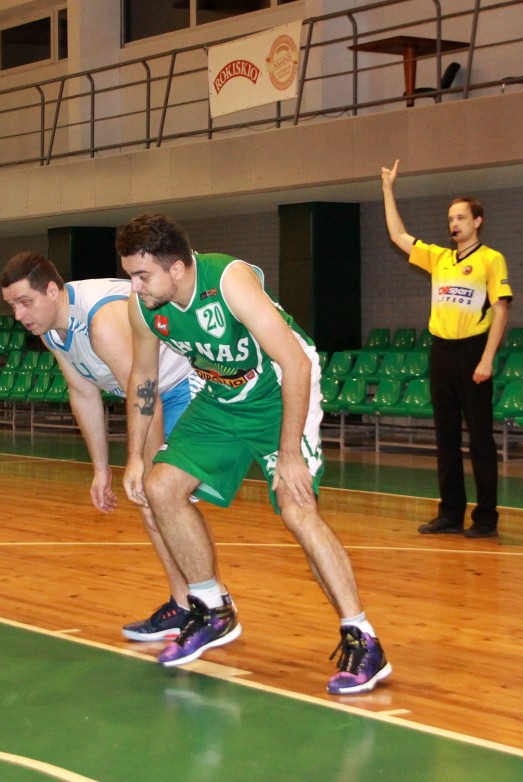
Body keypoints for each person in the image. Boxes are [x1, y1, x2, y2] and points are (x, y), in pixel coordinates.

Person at [116, 213, 391, 696]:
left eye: (142, 276)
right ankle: (211, 608)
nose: (134, 287)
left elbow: (296, 363)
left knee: (297, 508)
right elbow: (143, 377)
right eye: (130, 276)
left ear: (177, 268)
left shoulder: (230, 281)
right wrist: (136, 456)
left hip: (280, 392)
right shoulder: (144, 308)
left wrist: (289, 454)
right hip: (221, 398)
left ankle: (362, 638)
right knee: (160, 488)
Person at [0, 252, 213, 642]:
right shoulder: (51, 329)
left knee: (160, 496)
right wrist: (101, 469)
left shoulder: (102, 322)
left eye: (24, 302)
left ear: (53, 290)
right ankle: (188, 604)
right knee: (152, 501)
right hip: (155, 397)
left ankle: (208, 607)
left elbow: (147, 396)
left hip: (188, 385)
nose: (19, 315)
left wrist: (138, 461)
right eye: (12, 306)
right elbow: (82, 393)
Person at [381, 159, 513, 539]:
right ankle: (451, 513)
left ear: (477, 221)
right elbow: (398, 236)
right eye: (451, 218)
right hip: (441, 352)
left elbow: (501, 309)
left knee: (480, 440)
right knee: (446, 437)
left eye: (461, 217)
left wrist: (487, 359)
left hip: (473, 352)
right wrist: (388, 189)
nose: (454, 223)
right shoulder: (439, 257)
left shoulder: (491, 259)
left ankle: (485, 518)